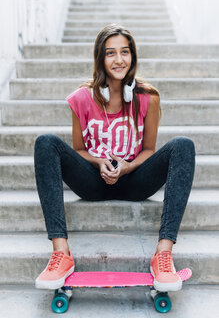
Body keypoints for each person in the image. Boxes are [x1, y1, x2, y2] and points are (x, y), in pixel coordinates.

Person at [34, 24, 195, 292]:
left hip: (135, 180)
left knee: (183, 146)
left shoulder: (148, 97)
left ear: (132, 56)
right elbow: (78, 149)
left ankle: (163, 254)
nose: (119, 60)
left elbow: (149, 150)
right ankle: (61, 253)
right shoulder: (82, 98)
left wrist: (128, 166)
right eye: (110, 53)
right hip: (93, 181)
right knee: (45, 143)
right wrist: (98, 162)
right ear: (100, 58)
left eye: (124, 52)